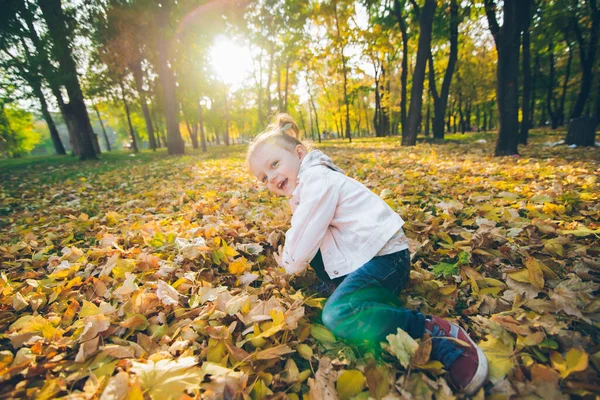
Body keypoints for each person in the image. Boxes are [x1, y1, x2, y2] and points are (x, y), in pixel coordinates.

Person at [246, 114, 488, 395]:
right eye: (263, 178)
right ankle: (342, 286)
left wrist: (288, 263)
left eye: (274, 164)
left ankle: (434, 331)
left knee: (336, 315)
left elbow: (302, 239)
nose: (272, 177)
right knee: (316, 252)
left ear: (299, 153)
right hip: (366, 260)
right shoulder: (303, 189)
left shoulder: (317, 179)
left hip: (386, 259)